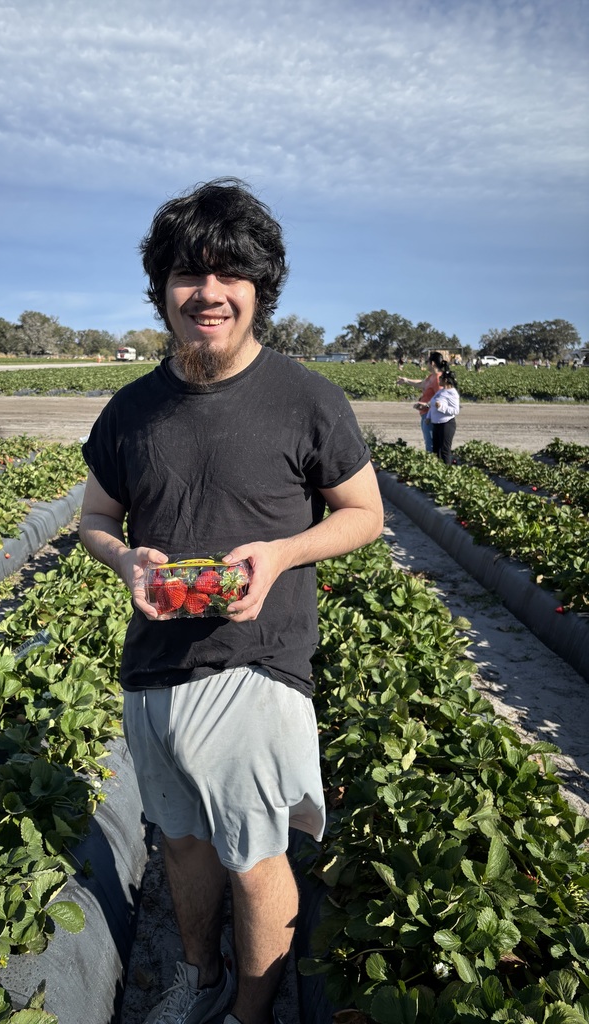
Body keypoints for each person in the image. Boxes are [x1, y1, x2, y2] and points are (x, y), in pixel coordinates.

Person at [78, 178, 384, 1024]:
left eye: (229, 274)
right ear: (162, 290)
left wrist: (282, 553)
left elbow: (365, 513)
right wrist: (125, 559)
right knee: (180, 844)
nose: (207, 292)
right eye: (188, 274)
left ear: (259, 289)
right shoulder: (132, 409)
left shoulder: (306, 398)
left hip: (256, 664)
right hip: (153, 668)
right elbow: (95, 518)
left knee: (255, 856)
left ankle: (250, 1014)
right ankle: (201, 978)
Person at [396, 351, 446, 452]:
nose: (426, 364)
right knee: (429, 442)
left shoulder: (438, 379)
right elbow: (422, 384)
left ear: (432, 363)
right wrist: (406, 380)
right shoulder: (432, 376)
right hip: (426, 414)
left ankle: (433, 460)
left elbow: (441, 399)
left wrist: (426, 405)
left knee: (431, 444)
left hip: (431, 416)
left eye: (427, 362)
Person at [420, 368, 460, 464]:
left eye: (441, 378)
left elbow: (455, 411)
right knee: (436, 450)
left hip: (446, 424)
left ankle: (447, 470)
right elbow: (433, 405)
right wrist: (428, 417)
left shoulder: (452, 393)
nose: (439, 380)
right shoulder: (441, 391)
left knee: (444, 450)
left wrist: (441, 407)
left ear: (445, 380)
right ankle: (437, 469)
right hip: (436, 424)